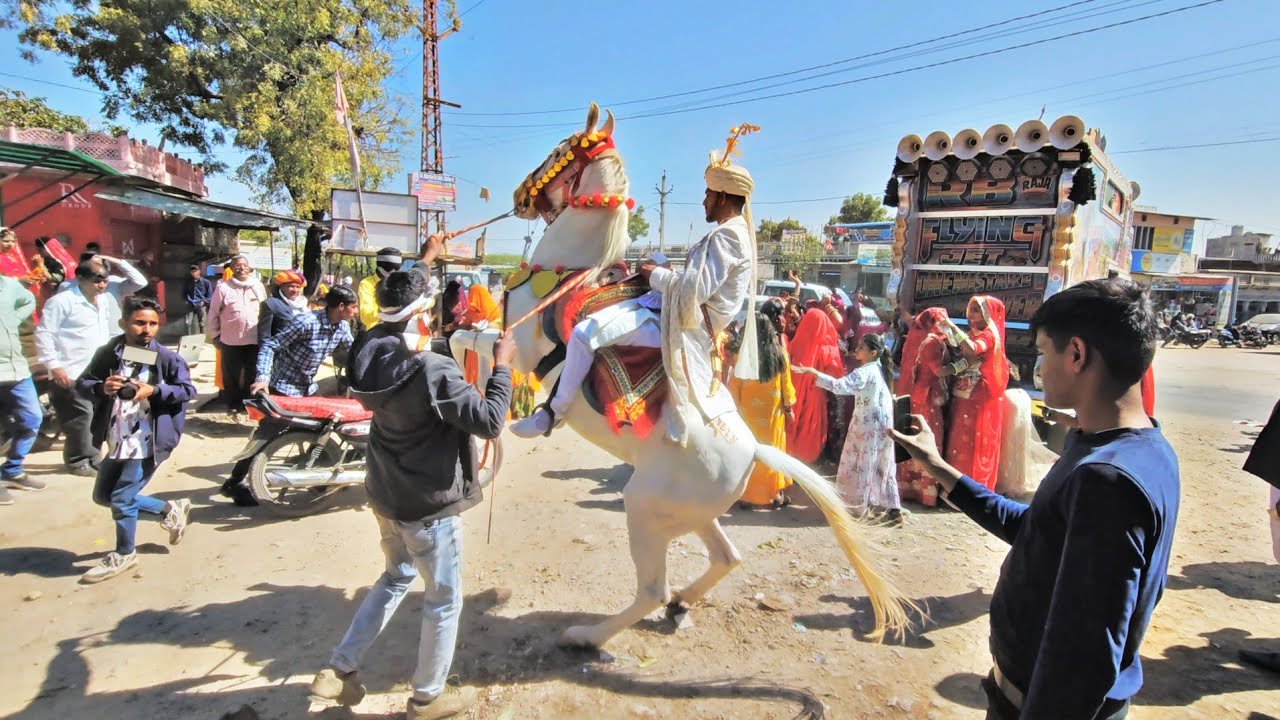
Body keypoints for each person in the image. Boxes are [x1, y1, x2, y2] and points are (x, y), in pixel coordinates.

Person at [891, 278, 1179, 719]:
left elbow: (1083, 659)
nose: (1039, 368)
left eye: (1044, 352)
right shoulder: (1136, 447)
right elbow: (1036, 531)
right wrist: (938, 467)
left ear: (1077, 354)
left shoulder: (1107, 480)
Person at [308, 271, 512, 719]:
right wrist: (503, 366)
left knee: (395, 577)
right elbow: (492, 420)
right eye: (433, 309)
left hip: (386, 494)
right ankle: (426, 699)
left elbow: (400, 321)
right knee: (443, 600)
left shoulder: (369, 349)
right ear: (422, 314)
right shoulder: (431, 368)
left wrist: (427, 263)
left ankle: (339, 669)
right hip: (428, 506)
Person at [511, 153, 760, 439]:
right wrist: (665, 269)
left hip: (684, 330)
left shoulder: (727, 236)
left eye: (708, 194)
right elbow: (697, 284)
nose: (704, 200)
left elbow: (693, 292)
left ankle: (553, 414)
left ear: (723, 197)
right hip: (680, 316)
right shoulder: (730, 234)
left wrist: (653, 274)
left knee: (583, 333)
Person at [78, 295, 196, 583]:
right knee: (103, 496)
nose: (147, 330)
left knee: (122, 498)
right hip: (116, 437)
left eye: (153, 324)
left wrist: (154, 391)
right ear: (123, 323)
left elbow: (187, 391)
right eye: (140, 323)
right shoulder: (109, 353)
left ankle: (124, 553)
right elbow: (82, 383)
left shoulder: (167, 358)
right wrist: (101, 386)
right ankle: (169, 509)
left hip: (147, 440)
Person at [794, 333, 902, 524]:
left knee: (862, 462)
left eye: (861, 347)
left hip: (867, 424)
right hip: (878, 424)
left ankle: (859, 507)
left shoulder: (866, 372)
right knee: (881, 463)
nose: (857, 349)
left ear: (873, 352)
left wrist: (814, 373)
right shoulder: (878, 370)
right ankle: (892, 509)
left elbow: (840, 386)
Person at [36, 258, 122, 475]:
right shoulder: (62, 302)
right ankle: (77, 460)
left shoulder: (102, 301)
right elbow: (44, 334)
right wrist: (55, 367)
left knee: (99, 416)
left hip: (98, 370)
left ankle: (93, 456)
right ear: (81, 278)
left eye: (105, 280)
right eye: (97, 280)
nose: (102, 285)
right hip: (71, 369)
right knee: (79, 417)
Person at [941, 295, 1009, 491]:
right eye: (970, 309)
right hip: (965, 392)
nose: (970, 314)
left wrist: (953, 328)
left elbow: (971, 350)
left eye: (976, 310)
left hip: (979, 395)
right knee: (957, 439)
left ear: (988, 313)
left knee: (970, 443)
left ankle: (970, 491)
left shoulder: (988, 335)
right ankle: (953, 488)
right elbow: (966, 357)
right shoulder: (975, 333)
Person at [729, 312, 795, 510]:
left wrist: (733, 408)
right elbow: (786, 384)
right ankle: (775, 494)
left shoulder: (745, 354)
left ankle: (746, 496)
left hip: (748, 411)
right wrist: (788, 407)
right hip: (773, 413)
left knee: (749, 452)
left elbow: (735, 385)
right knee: (772, 451)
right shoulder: (780, 353)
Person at [251, 286, 357, 397]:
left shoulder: (343, 327)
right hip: (284, 386)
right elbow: (270, 346)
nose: (356, 311)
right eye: (354, 307)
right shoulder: (307, 322)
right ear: (341, 306)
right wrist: (262, 378)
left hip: (309, 386)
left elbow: (353, 351)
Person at [899, 308, 951, 507]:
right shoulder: (933, 341)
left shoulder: (919, 335)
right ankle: (925, 489)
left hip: (917, 394)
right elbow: (937, 370)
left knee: (915, 437)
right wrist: (963, 364)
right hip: (928, 398)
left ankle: (910, 486)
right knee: (929, 438)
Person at [0, 275, 45, 504]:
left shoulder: (9, 285)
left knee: (32, 419)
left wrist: (11, 319)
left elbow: (29, 300)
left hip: (16, 369)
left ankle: (12, 469)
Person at [206, 255, 267, 413]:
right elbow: (213, 313)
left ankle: (249, 404)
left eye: (244, 265)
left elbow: (266, 310)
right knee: (231, 374)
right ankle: (233, 404)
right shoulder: (223, 287)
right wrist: (215, 335)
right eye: (237, 265)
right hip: (230, 340)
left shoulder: (257, 286)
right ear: (231, 269)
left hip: (254, 339)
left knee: (252, 373)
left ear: (249, 268)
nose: (241, 268)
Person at [785, 308, 844, 464]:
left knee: (793, 426)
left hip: (793, 392)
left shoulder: (795, 343)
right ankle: (805, 461)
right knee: (809, 429)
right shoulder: (827, 350)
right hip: (815, 395)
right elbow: (836, 375)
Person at [57, 251, 148, 302]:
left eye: (99, 264)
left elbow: (140, 282)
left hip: (113, 333)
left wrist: (118, 262)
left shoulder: (113, 283)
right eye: (92, 264)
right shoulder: (67, 286)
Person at [358, 247, 403, 332]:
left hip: (400, 333)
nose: (393, 271)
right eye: (390, 267)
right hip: (377, 334)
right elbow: (366, 316)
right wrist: (387, 310)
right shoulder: (367, 284)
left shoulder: (401, 283)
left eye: (396, 268)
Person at [258, 269, 309, 343]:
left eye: (298, 287)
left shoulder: (304, 305)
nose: (295, 290)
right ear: (281, 287)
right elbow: (264, 335)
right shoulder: (271, 304)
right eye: (291, 286)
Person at [182, 264, 213, 335]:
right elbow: (184, 292)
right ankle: (188, 340)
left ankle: (202, 339)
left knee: (202, 323)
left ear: (199, 272)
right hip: (190, 304)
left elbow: (210, 295)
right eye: (192, 272)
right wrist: (186, 300)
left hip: (201, 305)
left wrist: (204, 301)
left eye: (195, 271)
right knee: (188, 323)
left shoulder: (206, 282)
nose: (194, 273)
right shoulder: (188, 282)